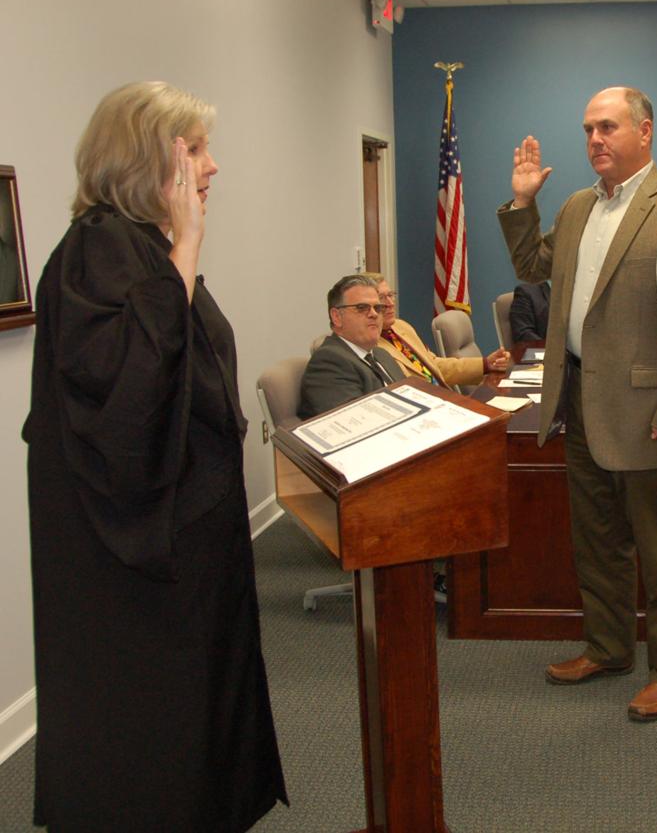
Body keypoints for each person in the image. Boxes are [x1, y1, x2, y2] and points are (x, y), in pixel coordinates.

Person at [22, 81, 287, 831]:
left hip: (190, 531)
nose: (212, 165)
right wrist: (188, 245)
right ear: (149, 160)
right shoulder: (97, 251)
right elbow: (129, 394)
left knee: (203, 707)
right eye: (196, 149)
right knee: (152, 728)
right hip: (136, 555)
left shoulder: (141, 246)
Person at [497, 86, 657, 721]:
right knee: (596, 542)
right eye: (589, 129)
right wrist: (522, 202)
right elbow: (533, 267)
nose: (595, 139)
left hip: (650, 414)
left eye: (609, 127)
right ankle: (608, 646)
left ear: (646, 132)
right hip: (578, 402)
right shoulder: (575, 207)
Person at [367, 272, 510, 385]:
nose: (390, 303)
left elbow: (435, 365)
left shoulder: (401, 326)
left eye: (391, 295)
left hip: (445, 397)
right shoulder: (369, 345)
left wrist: (486, 364)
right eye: (382, 298)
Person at [298, 274, 405, 420]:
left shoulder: (381, 355)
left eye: (378, 308)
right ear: (337, 317)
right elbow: (356, 423)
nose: (374, 314)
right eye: (362, 308)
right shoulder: (329, 361)